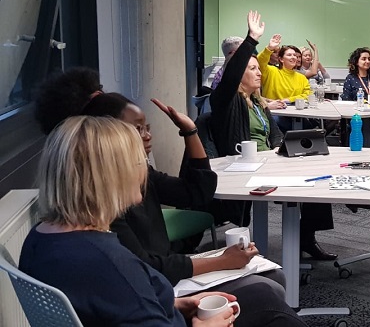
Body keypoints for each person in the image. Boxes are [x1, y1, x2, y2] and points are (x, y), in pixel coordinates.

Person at [19, 116, 308, 327]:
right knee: (274, 310)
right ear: (113, 176)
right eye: (138, 162)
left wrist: (174, 305)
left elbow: (109, 307)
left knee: (261, 292)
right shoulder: (109, 261)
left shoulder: (41, 237)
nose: (145, 170)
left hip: (168, 309)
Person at [33, 68, 288, 300]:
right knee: (269, 289)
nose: (147, 136)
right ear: (109, 137)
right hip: (160, 283)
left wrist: (190, 132)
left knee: (271, 282)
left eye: (147, 127)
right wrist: (221, 261)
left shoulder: (140, 172)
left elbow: (197, 193)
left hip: (163, 278)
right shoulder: (99, 203)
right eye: (137, 129)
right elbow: (146, 270)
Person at [210, 11, 337, 261]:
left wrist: (283, 148)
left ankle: (306, 237)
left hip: (268, 160)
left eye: (259, 68)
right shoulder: (226, 101)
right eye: (252, 69)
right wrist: (251, 40)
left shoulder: (257, 101)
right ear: (236, 74)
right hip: (243, 167)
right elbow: (230, 77)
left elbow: (276, 133)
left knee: (318, 175)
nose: (259, 73)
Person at [258, 34, 311, 132]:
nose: (293, 57)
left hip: (297, 115)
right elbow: (260, 62)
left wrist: (288, 100)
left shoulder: (301, 77)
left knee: (312, 125)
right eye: (289, 55)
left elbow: (308, 95)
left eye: (295, 55)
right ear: (281, 59)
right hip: (275, 113)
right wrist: (269, 48)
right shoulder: (271, 71)